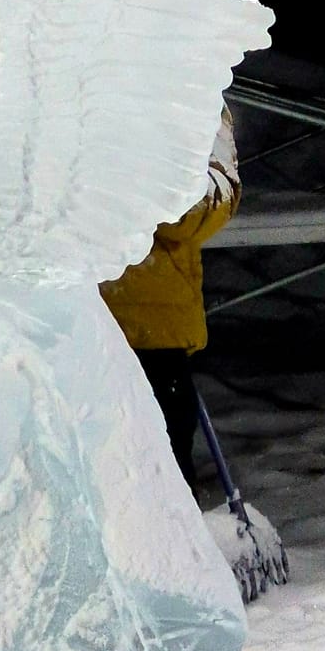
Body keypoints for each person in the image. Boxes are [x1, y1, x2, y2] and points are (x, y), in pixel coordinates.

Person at [100, 105, 241, 486]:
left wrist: (130, 177)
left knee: (159, 490)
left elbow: (213, 203)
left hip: (150, 337)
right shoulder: (48, 72)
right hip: (54, 325)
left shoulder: (187, 82)